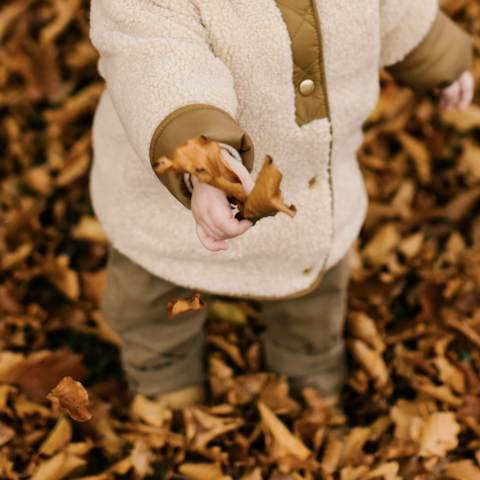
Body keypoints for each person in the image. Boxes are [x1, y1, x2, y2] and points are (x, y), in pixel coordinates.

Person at [89, 0, 474, 407]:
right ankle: (164, 378)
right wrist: (203, 158)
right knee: (155, 294)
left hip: (305, 187)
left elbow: (396, 9)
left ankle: (307, 369)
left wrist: (437, 58)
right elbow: (154, 53)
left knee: (311, 293)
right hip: (175, 189)